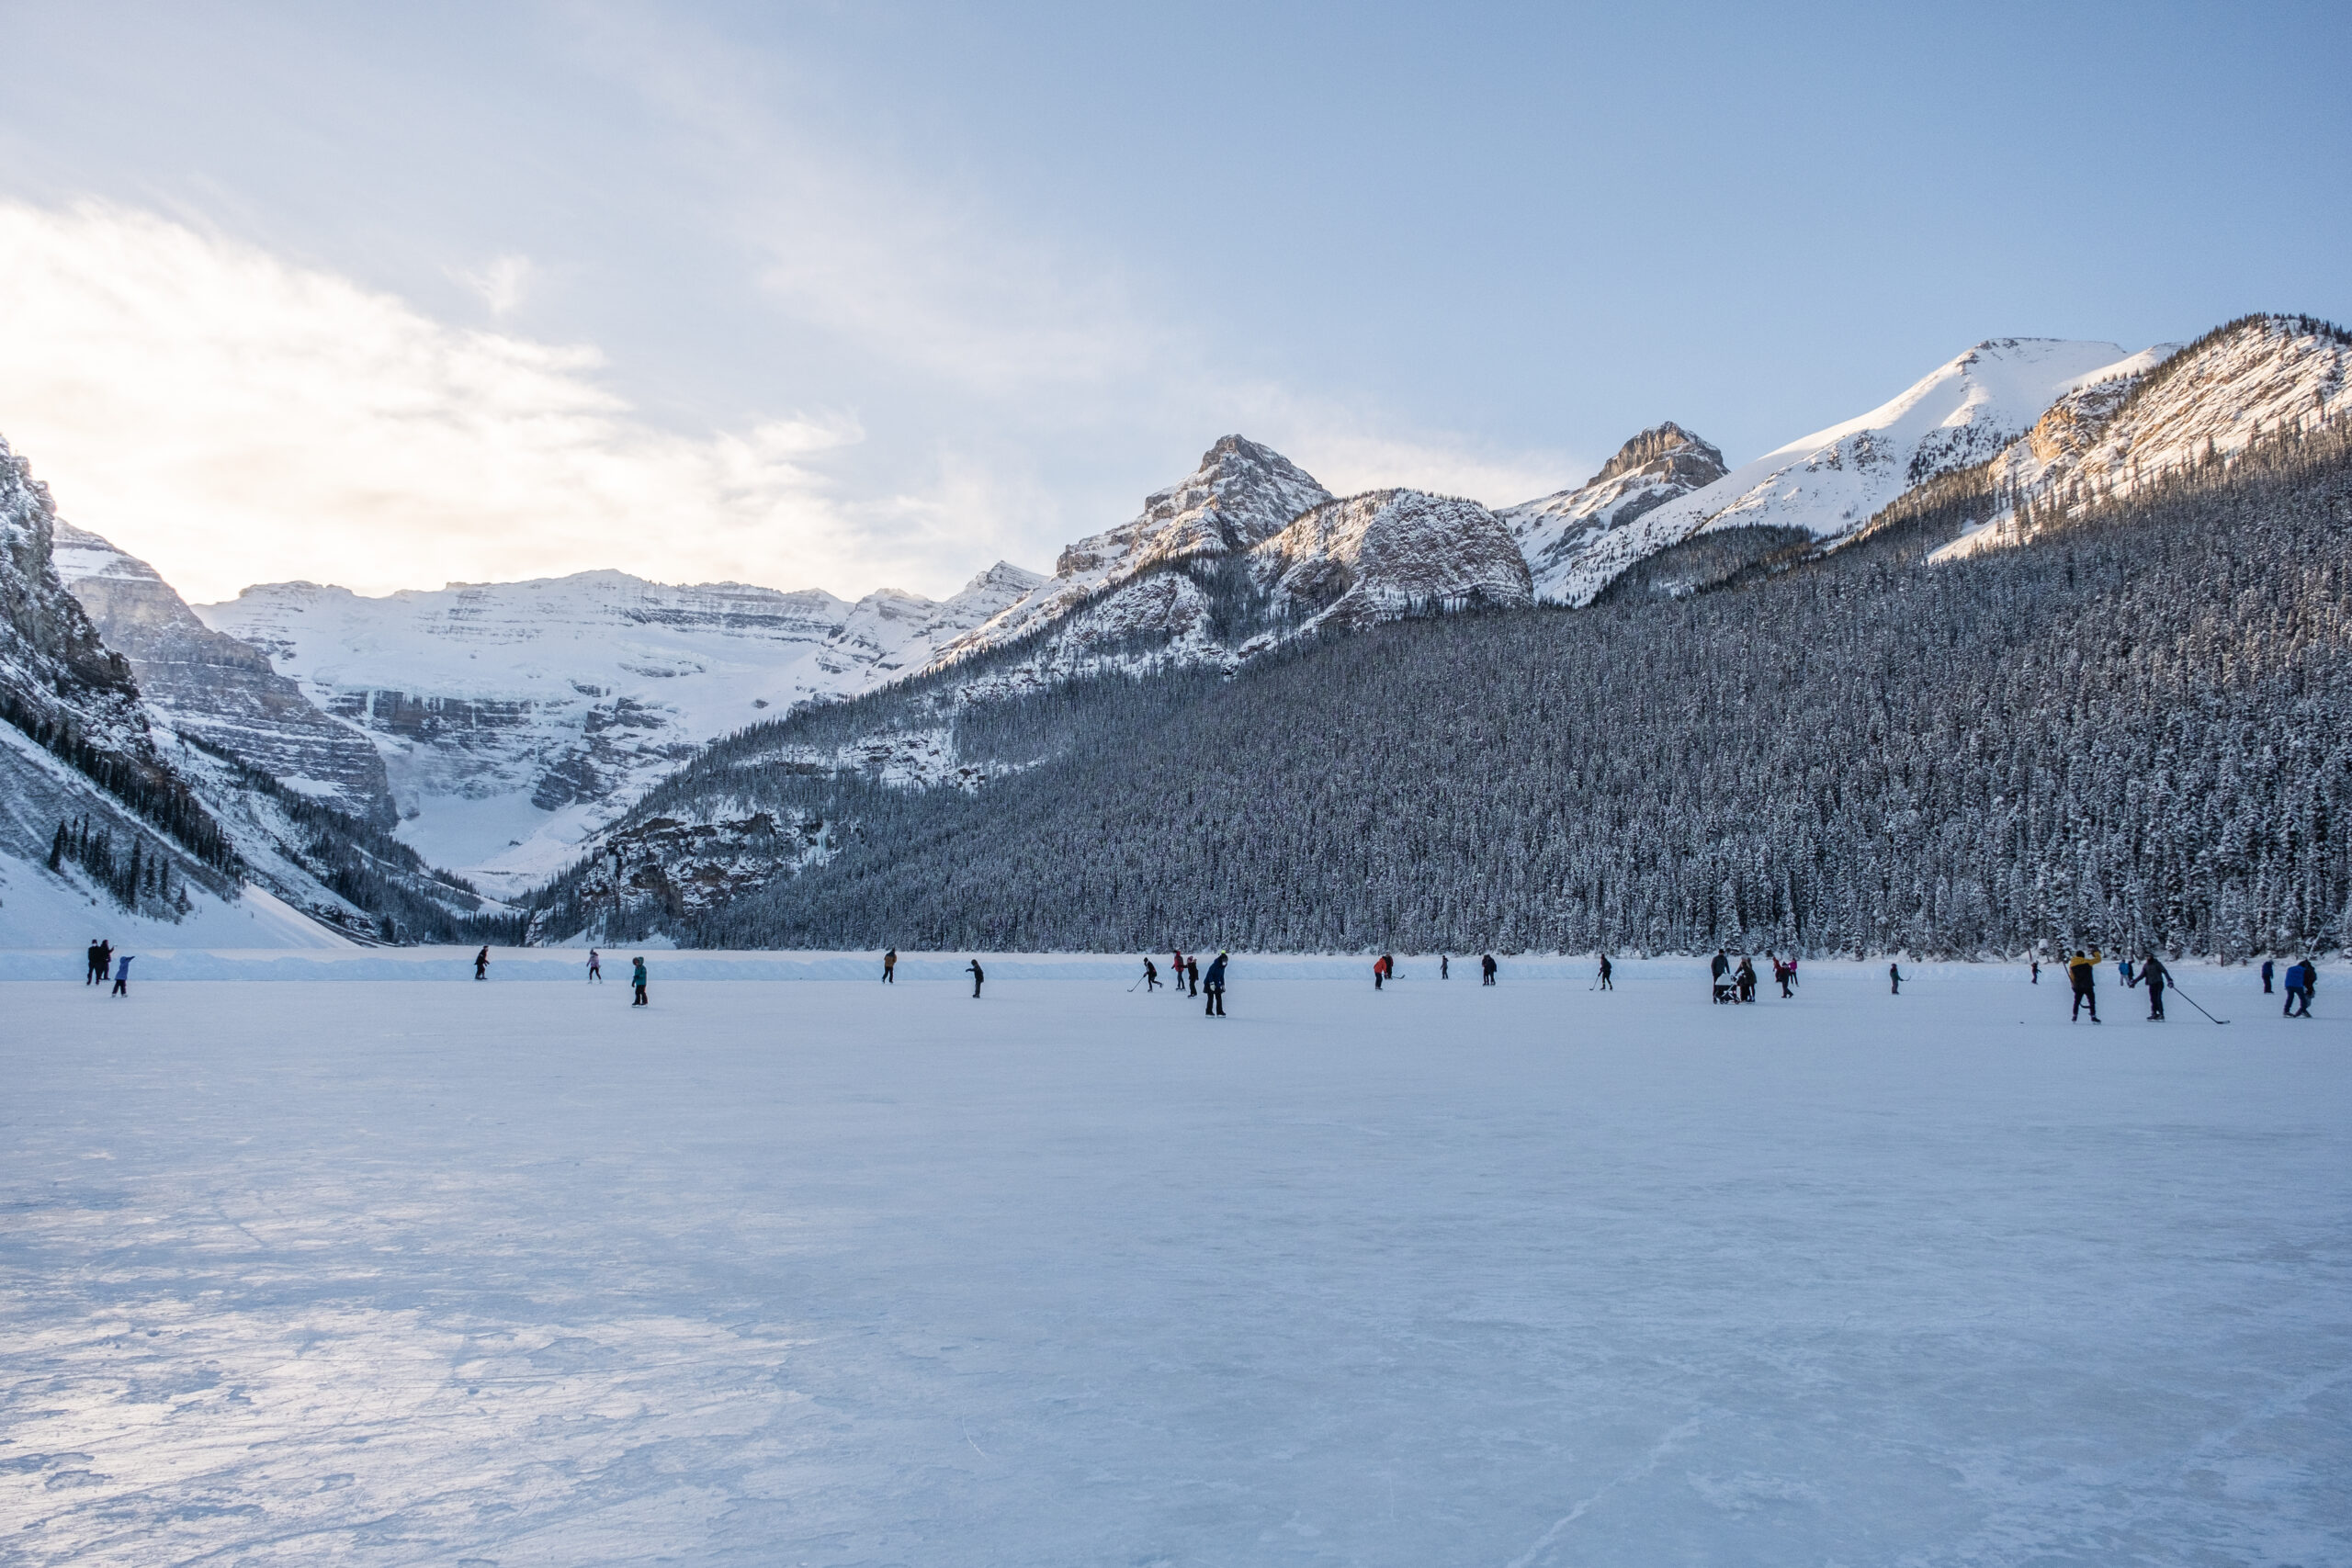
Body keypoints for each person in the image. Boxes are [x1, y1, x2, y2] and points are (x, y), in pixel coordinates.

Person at [2067, 949, 2101, 1022]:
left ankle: (2075, 1016)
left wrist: (2073, 986)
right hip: (2088, 985)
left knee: (2076, 1001)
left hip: (2078, 986)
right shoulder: (2088, 962)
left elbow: (2072, 976)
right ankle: (2093, 1016)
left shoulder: (2072, 964)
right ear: (2083, 956)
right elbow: (2098, 959)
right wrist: (2096, 953)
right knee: (2091, 1001)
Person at [2134, 953, 2170, 1021]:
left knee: (2158, 999)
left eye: (2149, 956)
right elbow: (2142, 975)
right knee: (2153, 999)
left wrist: (2169, 980)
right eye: (2147, 956)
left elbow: (2164, 971)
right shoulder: (2146, 965)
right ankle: (2154, 1014)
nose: (2148, 958)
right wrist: (2134, 981)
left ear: (2152, 957)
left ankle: (2161, 1014)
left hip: (2159, 983)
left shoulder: (2157, 964)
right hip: (2151, 984)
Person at [1203, 950, 1227, 1016]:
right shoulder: (1214, 966)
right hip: (1209, 983)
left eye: (1226, 961)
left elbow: (1221, 976)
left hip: (1217, 984)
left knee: (1219, 998)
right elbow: (1210, 975)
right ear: (1221, 960)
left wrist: (1223, 985)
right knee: (1210, 998)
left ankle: (1219, 1011)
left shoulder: (1223, 967)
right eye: (1224, 961)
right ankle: (1208, 1012)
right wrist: (1211, 983)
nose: (1225, 963)